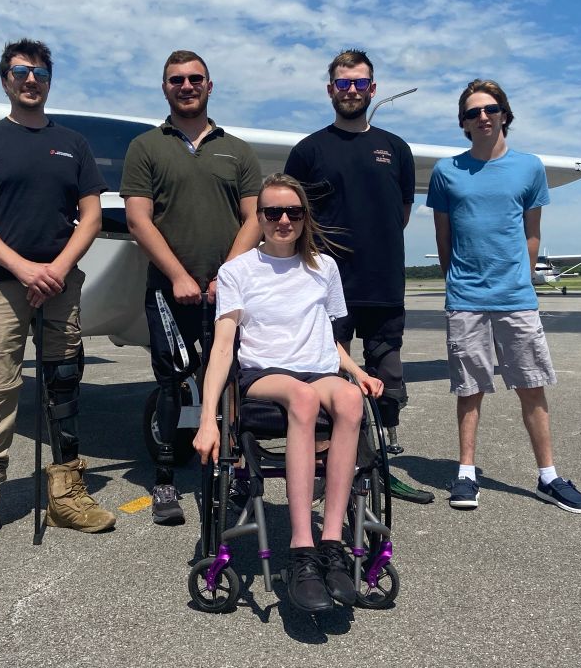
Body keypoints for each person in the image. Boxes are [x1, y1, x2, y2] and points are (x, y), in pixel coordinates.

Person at [0, 38, 116, 548]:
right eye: (21, 72)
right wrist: (24, 269)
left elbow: (91, 216)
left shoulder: (73, 143)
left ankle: (66, 494)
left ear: (49, 81)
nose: (31, 80)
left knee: (63, 387)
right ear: (5, 79)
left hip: (58, 285)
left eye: (40, 73)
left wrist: (57, 270)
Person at [194, 173, 383, 613]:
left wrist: (357, 372)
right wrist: (207, 420)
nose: (283, 220)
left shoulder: (324, 267)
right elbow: (222, 347)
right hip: (266, 374)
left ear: (304, 217)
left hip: (318, 369)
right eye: (273, 212)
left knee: (350, 399)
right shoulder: (237, 271)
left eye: (293, 212)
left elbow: (327, 337)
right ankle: (301, 550)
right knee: (303, 397)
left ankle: (331, 544)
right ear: (258, 217)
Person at [425, 78, 581, 514]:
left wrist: (520, 277)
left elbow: (532, 233)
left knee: (531, 385)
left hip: (516, 297)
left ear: (504, 115)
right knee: (469, 389)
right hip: (466, 298)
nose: (482, 117)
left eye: (490, 109)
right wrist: (457, 280)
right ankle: (466, 473)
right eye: (472, 112)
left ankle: (548, 476)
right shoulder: (447, 171)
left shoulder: (530, 168)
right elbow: (444, 237)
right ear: (463, 123)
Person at [284, 49, 433, 504]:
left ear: (372, 89)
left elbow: (400, 213)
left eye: (360, 83)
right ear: (331, 89)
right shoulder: (308, 151)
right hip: (327, 287)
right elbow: (292, 216)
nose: (352, 91)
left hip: (382, 286)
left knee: (387, 380)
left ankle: (381, 468)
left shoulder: (396, 149)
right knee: (328, 379)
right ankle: (330, 469)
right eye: (343, 83)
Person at [120, 50, 261, 525]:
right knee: (171, 381)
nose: (186, 86)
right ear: (165, 87)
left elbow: (254, 218)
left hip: (228, 291)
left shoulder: (237, 150)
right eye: (176, 79)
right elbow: (139, 219)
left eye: (195, 78)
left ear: (209, 85)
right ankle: (164, 478)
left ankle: (235, 469)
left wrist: (227, 274)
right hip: (168, 291)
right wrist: (179, 275)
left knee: (233, 379)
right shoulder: (145, 147)